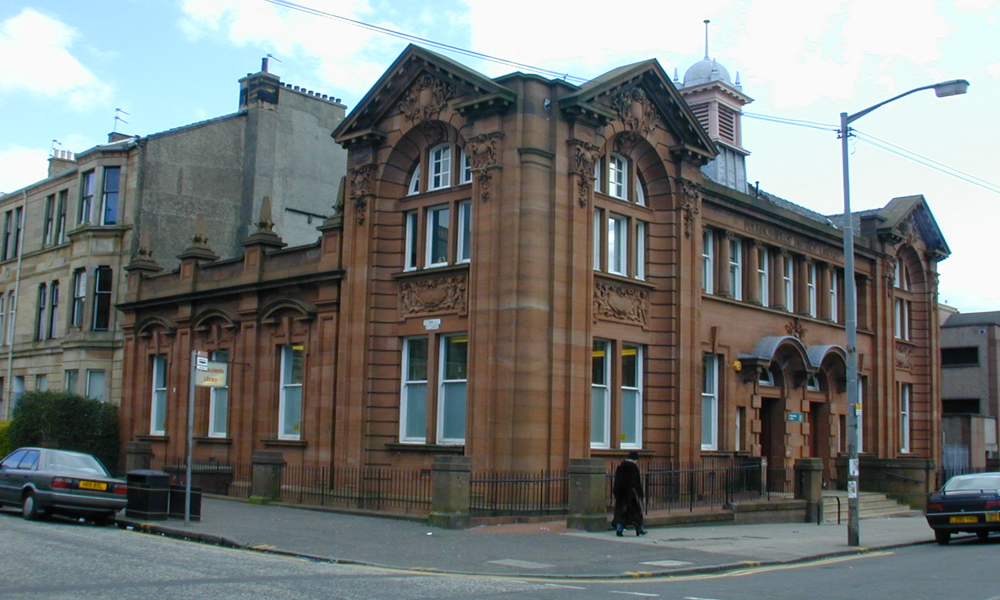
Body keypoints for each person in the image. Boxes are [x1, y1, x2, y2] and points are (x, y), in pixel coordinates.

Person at [612, 451, 646, 536]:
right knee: (635, 512)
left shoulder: (620, 467)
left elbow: (617, 481)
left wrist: (615, 492)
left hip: (620, 493)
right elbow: (636, 482)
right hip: (631, 493)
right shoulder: (633, 468)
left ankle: (619, 529)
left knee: (620, 512)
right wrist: (640, 493)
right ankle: (639, 529)